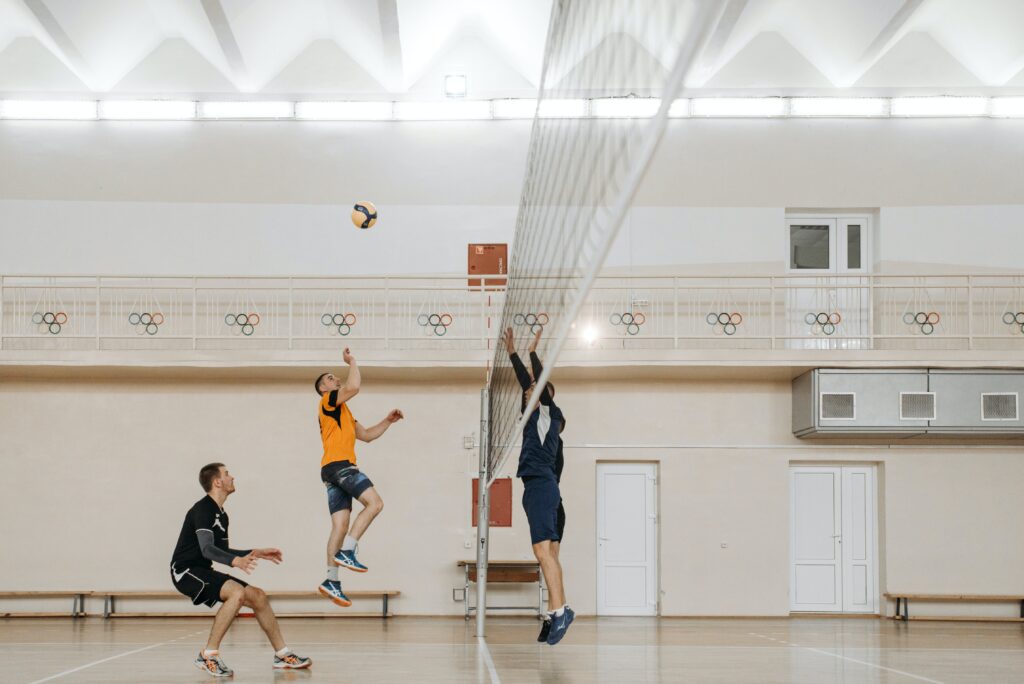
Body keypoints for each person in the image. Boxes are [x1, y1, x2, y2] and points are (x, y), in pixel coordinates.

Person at [171, 463, 311, 676]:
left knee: (258, 596)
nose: (232, 477)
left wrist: (254, 552)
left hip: (202, 569)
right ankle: (208, 655)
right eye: (227, 474)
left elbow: (221, 550)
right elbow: (207, 549)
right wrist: (235, 561)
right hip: (184, 571)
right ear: (217, 481)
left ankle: (282, 655)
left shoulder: (221, 514)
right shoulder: (202, 509)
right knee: (236, 592)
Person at [314, 347, 404, 607]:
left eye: (335, 377)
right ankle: (348, 551)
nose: (335, 380)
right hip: (340, 465)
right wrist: (352, 361)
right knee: (375, 503)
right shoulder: (328, 400)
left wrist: (387, 421)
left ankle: (331, 580)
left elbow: (366, 435)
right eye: (330, 378)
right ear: (323, 388)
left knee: (340, 526)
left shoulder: (343, 412)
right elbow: (353, 386)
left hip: (330, 471)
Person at [503, 327, 574, 645]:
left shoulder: (548, 413)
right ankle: (555, 611)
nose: (527, 391)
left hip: (542, 488)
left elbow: (534, 382)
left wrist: (530, 350)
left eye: (534, 389)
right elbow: (526, 383)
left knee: (542, 551)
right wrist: (512, 353)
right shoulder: (533, 419)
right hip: (545, 491)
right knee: (549, 554)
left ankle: (561, 612)